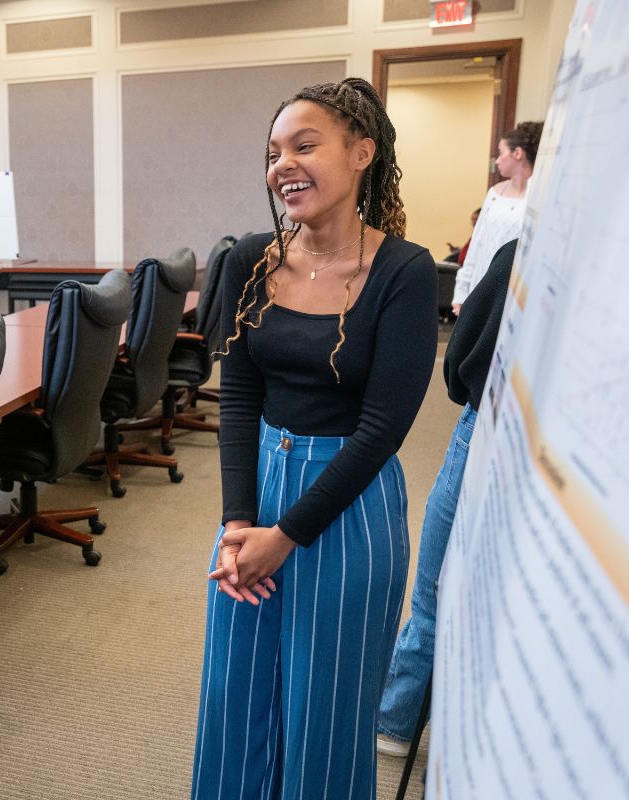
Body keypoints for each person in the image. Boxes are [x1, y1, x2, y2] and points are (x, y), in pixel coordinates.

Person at [193, 77, 437, 799]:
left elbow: (384, 428)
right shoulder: (250, 259)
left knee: (325, 712)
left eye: (305, 145)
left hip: (350, 506)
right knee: (233, 698)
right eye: (274, 152)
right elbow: (237, 395)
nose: (283, 165)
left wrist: (288, 533)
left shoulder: (405, 271)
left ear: (361, 153)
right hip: (258, 494)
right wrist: (241, 522)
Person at [376, 237, 519, 757]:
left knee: (436, 590)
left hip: (490, 426)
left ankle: (395, 720)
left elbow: (460, 358)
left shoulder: (530, 250)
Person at [451, 122, 543, 315]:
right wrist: (461, 292)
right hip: (481, 286)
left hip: (515, 293)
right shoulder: (494, 193)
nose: (498, 160)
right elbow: (477, 243)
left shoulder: (540, 194)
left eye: (502, 153)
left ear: (518, 153)